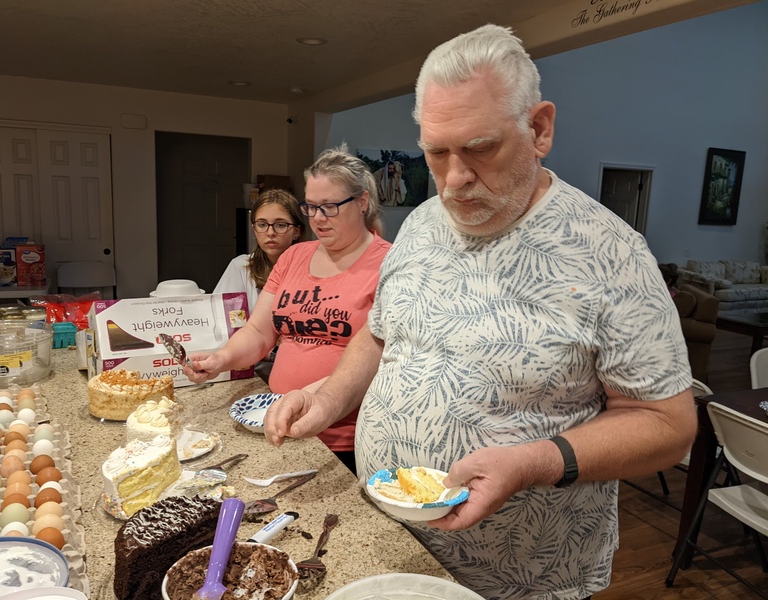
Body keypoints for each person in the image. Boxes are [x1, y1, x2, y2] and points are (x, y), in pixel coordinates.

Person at [263, 24, 697, 600]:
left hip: (522, 571)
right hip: (389, 536)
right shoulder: (420, 224)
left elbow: (669, 425)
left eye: (481, 148)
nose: (456, 179)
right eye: (437, 153)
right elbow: (382, 334)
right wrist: (330, 396)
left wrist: (533, 462)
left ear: (539, 128)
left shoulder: (611, 255)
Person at [186, 144, 391, 475]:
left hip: (348, 438)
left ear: (362, 202)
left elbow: (384, 356)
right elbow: (259, 331)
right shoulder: (295, 257)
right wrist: (221, 358)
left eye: (330, 207)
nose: (318, 219)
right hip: (280, 420)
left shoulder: (389, 264)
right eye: (310, 207)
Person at [213, 189, 306, 312]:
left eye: (280, 225)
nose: (270, 233)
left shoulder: (311, 268)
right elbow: (222, 318)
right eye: (262, 225)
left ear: (296, 231)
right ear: (254, 229)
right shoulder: (241, 267)